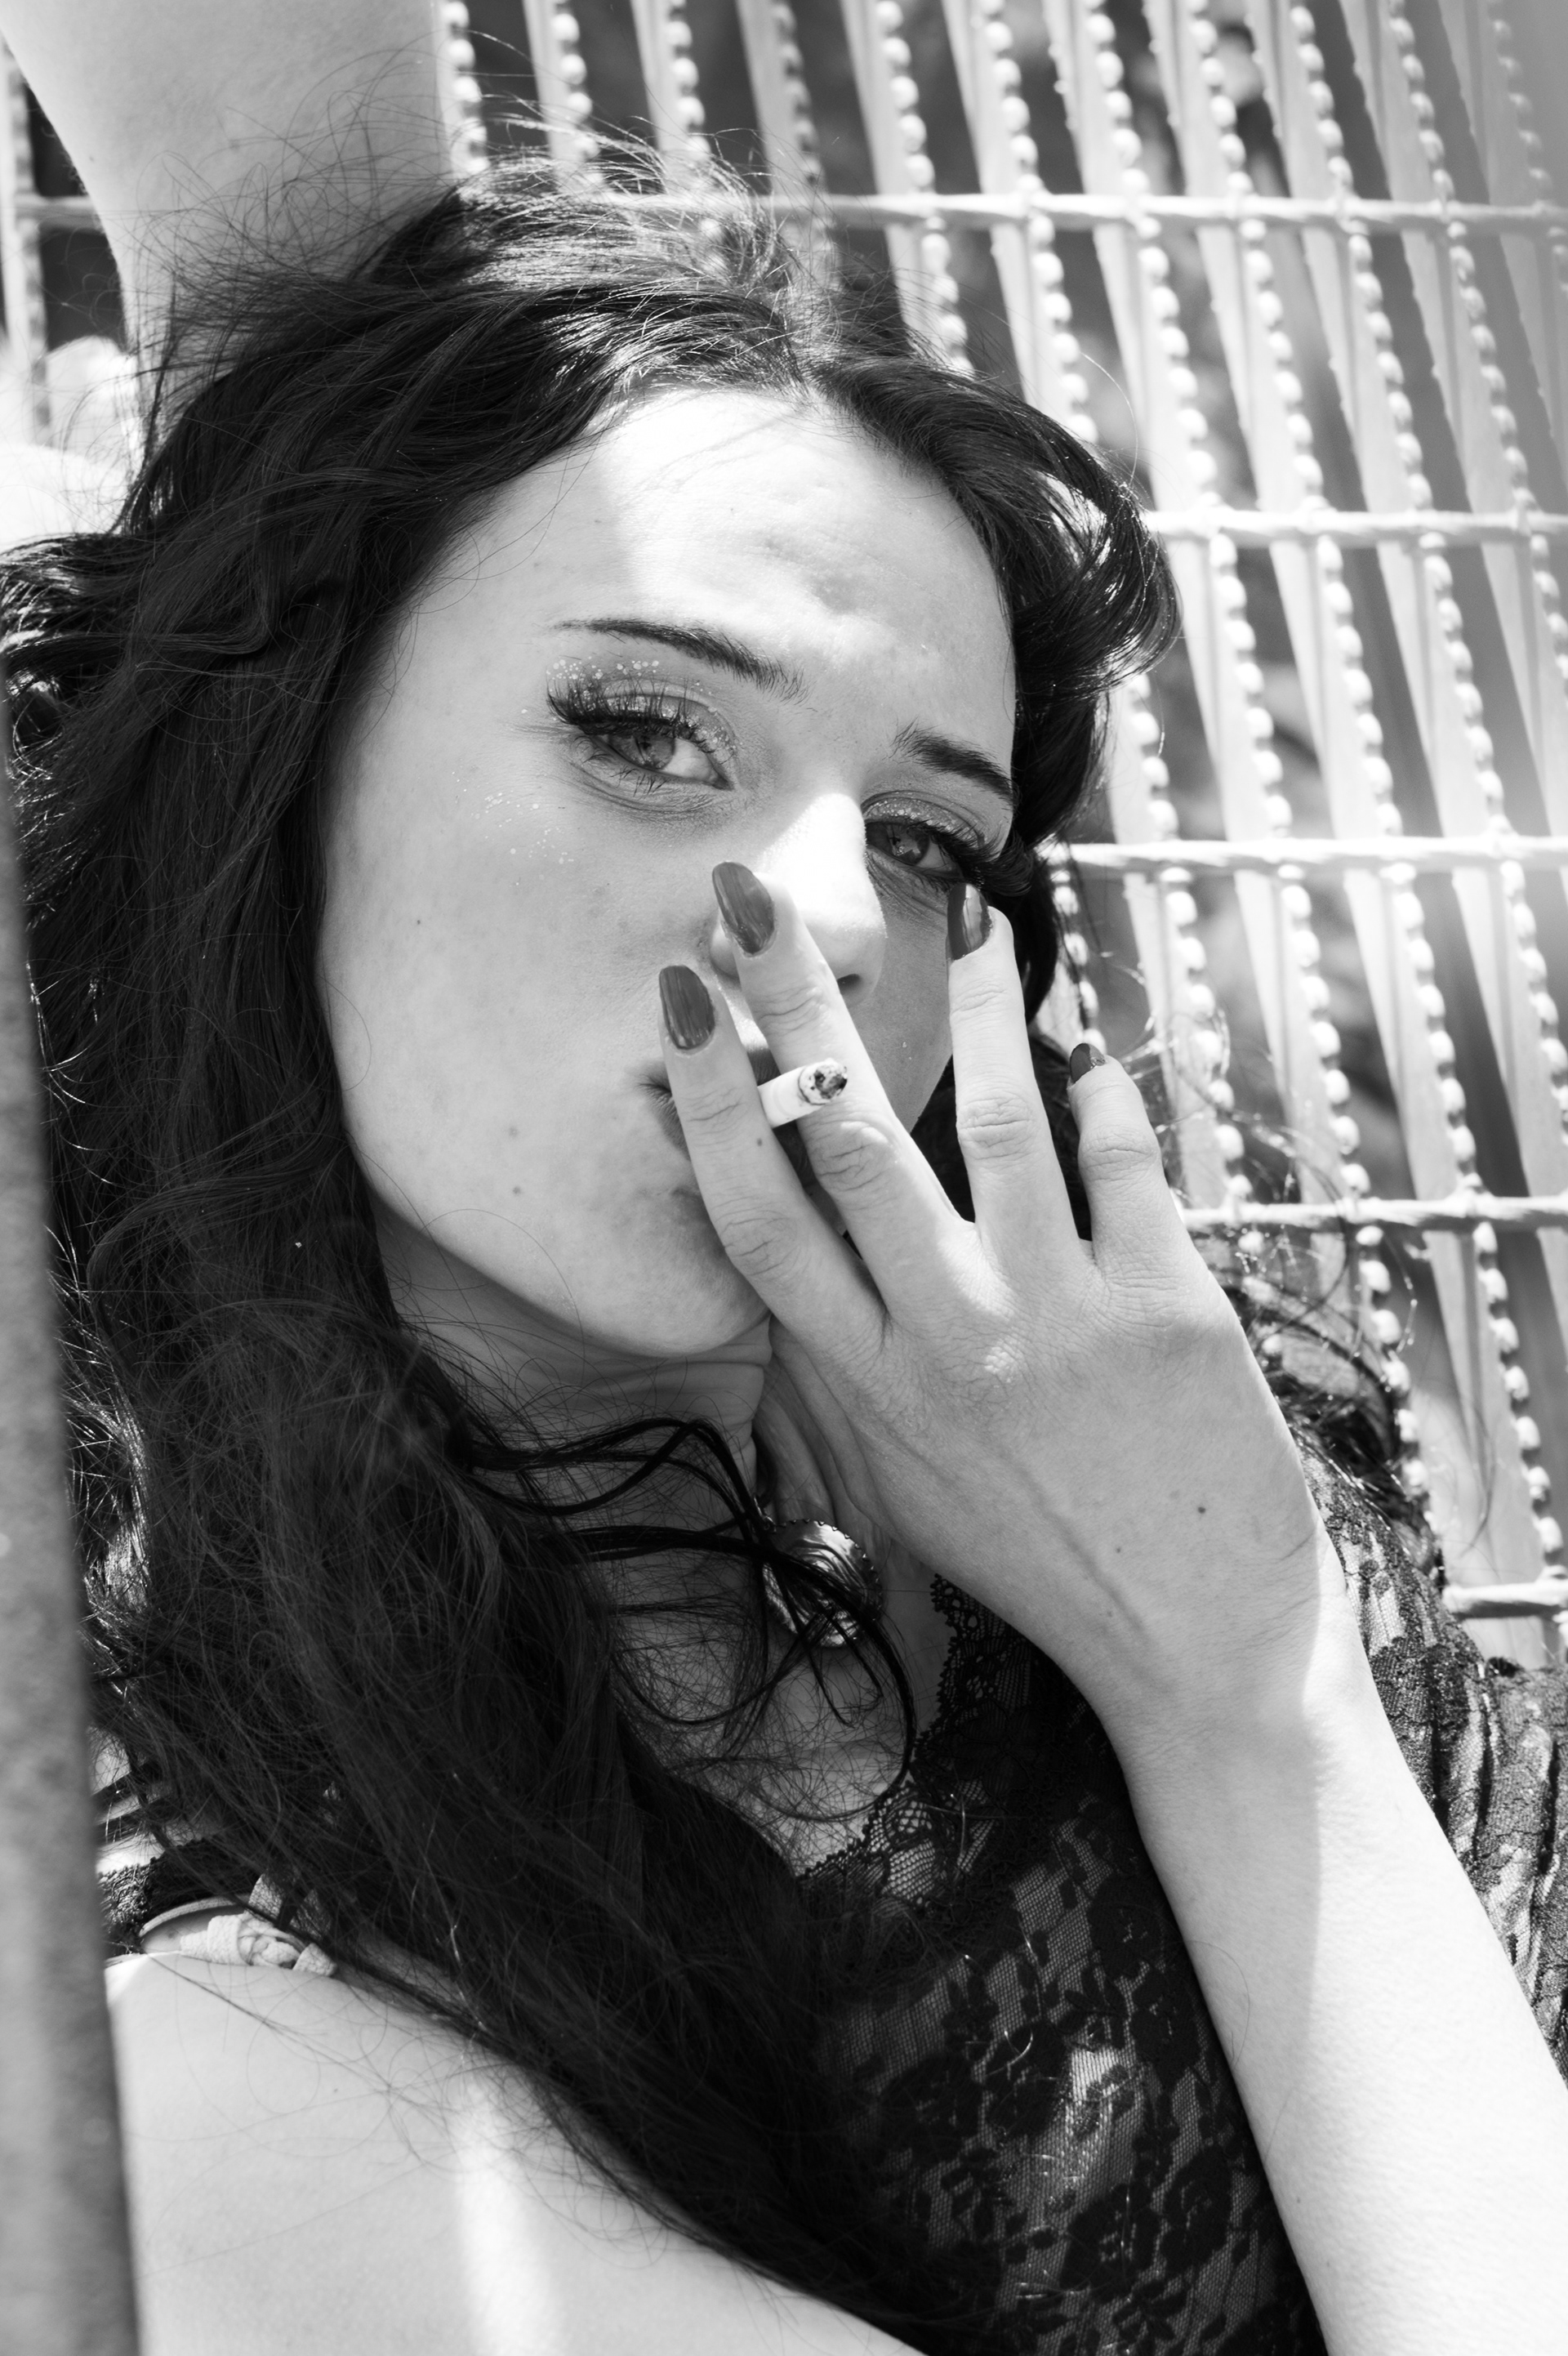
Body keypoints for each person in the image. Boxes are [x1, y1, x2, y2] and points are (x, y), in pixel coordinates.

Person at [3, 7, 1568, 2353]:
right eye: (648, 727)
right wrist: (1251, 1701)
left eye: (932, 841)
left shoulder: (1134, 1427)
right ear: (274, 775)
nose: (837, 917)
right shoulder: (187, 2006)